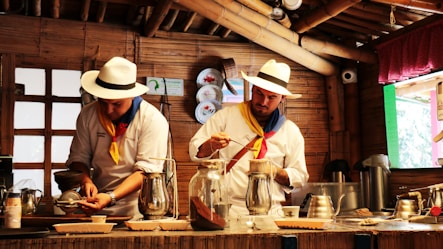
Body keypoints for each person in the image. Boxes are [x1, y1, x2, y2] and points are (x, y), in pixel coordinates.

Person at [189, 59, 309, 218]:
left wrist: (274, 171)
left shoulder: (290, 131)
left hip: (272, 213)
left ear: (282, 98)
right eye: (259, 93)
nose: (263, 102)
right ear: (253, 89)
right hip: (230, 210)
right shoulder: (226, 117)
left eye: (271, 97)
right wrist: (210, 145)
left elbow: (300, 176)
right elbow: (195, 151)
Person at [66, 57, 169, 220]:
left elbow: (146, 172)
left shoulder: (151, 119)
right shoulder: (88, 114)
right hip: (94, 208)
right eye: (103, 102)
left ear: (131, 96)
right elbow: (78, 159)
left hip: (137, 211)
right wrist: (86, 181)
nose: (108, 110)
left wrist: (111, 197)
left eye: (116, 104)